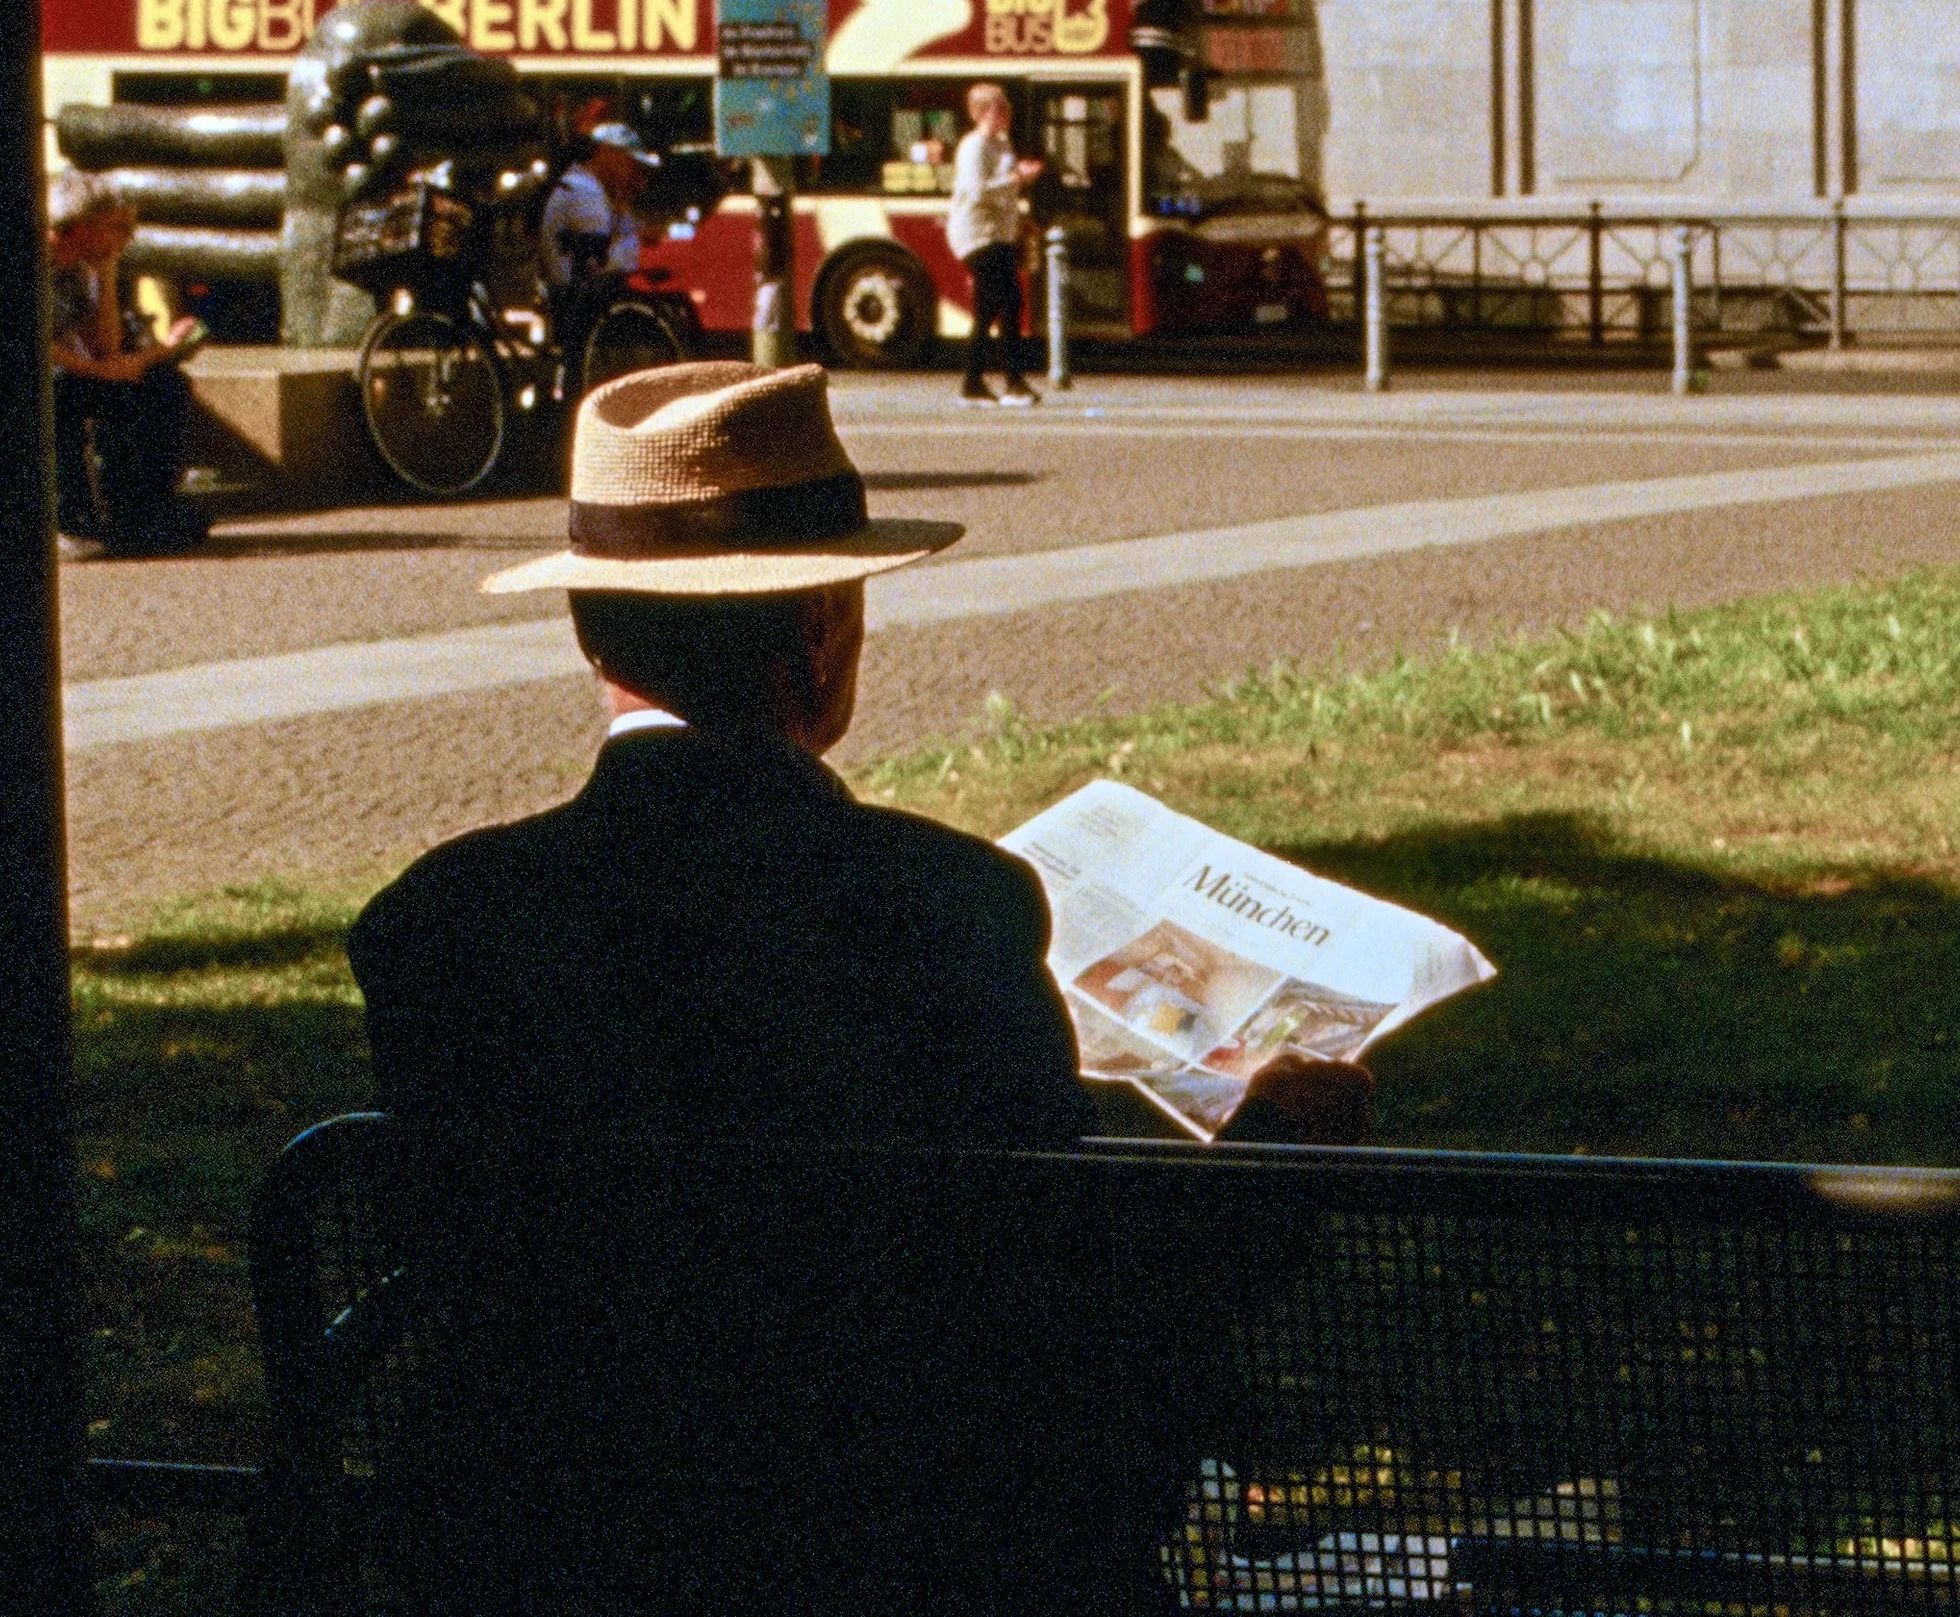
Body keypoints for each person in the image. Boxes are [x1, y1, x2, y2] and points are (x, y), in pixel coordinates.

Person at [351, 358, 1367, 1149]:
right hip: (884, 1417)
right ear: (817, 631)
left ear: (585, 630)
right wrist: (1281, 1137)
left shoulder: (438, 921)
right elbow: (1067, 1294)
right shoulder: (942, 906)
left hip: (550, 1419)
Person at [47, 169, 209, 555]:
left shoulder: (81, 268)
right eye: (117, 227)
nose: (129, 237)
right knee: (67, 395)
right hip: (34, 378)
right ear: (82, 225)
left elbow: (106, 345)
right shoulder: (36, 259)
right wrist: (98, 370)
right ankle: (69, 519)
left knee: (162, 386)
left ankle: (139, 511)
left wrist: (107, 272)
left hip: (71, 370)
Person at [537, 119, 652, 392]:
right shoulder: (584, 191)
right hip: (575, 292)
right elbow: (601, 254)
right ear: (607, 153)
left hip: (578, 285)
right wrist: (640, 241)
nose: (633, 171)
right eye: (629, 162)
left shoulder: (587, 186)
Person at [949, 79, 1041, 404]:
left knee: (999, 305)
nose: (1007, 112)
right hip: (977, 234)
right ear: (983, 112)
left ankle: (979, 383)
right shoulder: (973, 147)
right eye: (1001, 107)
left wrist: (1019, 183)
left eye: (1007, 106)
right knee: (1003, 301)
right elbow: (976, 192)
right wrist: (1017, 178)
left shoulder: (1002, 144)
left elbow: (1005, 186)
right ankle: (1004, 383)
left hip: (999, 233)